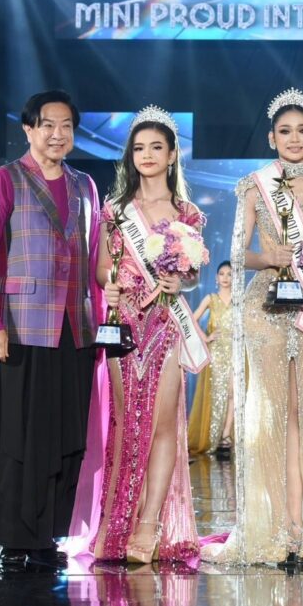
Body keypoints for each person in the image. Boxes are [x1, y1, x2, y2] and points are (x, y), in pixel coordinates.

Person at [203, 88, 303, 566]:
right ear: (271, 138)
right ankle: (271, 528)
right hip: (265, 308)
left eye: (302, 130)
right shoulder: (254, 186)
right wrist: (268, 256)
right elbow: (236, 253)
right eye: (284, 131)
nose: (293, 138)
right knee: (270, 418)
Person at [0, 89, 101, 569]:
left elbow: (94, 259)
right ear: (28, 129)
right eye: (48, 124)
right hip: (21, 328)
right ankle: (15, 538)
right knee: (21, 438)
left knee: (65, 436)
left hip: (76, 329)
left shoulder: (86, 185)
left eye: (66, 125)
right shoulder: (5, 180)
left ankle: (48, 537)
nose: (57, 134)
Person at [87, 105, 208, 564]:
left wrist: (182, 280)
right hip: (125, 322)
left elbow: (194, 274)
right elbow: (103, 266)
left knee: (161, 424)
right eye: (139, 148)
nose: (148, 155)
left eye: (157, 147)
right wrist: (110, 284)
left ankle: (149, 523)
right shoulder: (115, 211)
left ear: (173, 154)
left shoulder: (187, 213)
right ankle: (116, 520)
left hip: (167, 322)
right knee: (126, 423)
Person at [188, 260, 235, 455]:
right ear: (216, 277)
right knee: (216, 395)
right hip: (216, 353)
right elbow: (192, 319)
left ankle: (226, 435)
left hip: (235, 352)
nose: (225, 277)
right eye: (222, 273)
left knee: (233, 393)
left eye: (229, 274)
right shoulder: (211, 298)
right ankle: (213, 437)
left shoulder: (239, 300)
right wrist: (206, 338)